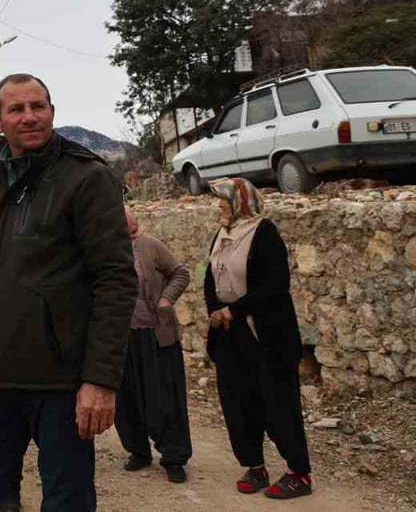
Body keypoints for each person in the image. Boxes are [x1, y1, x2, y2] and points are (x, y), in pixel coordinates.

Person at [0, 73, 137, 512]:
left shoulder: (86, 178)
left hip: (61, 385)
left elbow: (115, 279)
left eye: (39, 106)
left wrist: (101, 380)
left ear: (52, 110)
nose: (30, 117)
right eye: (17, 109)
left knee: (68, 502)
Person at [205, 177, 313, 499]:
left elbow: (275, 285)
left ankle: (299, 474)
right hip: (229, 333)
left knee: (278, 403)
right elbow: (210, 279)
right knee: (238, 402)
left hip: (266, 335)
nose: (219, 205)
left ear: (241, 201)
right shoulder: (222, 234)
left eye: (223, 199)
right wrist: (215, 311)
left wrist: (234, 310)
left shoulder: (264, 233)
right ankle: (255, 467)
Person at [115, 206, 193, 483]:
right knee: (127, 397)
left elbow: (180, 273)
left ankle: (173, 457)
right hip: (121, 337)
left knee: (163, 397)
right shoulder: (106, 251)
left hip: (155, 334)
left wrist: (166, 299)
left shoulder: (149, 246)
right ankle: (138, 451)